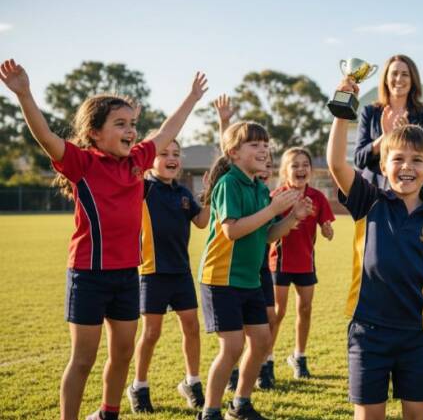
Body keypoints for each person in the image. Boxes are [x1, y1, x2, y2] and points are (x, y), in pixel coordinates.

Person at [0, 58, 207, 420]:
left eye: (133, 124)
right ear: (95, 133)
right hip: (88, 275)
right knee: (83, 359)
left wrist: (191, 98)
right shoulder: (82, 162)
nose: (131, 131)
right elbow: (47, 137)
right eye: (121, 124)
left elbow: (165, 130)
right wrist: (25, 95)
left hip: (128, 274)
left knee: (123, 352)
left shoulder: (137, 161)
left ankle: (107, 413)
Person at [328, 76, 423, 420]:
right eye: (398, 159)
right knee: (370, 415)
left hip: (415, 334)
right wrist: (343, 107)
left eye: (417, 161)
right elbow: (336, 163)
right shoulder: (369, 200)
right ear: (383, 167)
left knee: (419, 414)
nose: (406, 167)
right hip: (367, 331)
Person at [197, 120, 312, 420]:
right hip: (220, 279)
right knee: (233, 347)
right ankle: (210, 411)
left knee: (261, 341)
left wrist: (291, 219)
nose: (263, 149)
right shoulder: (228, 184)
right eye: (255, 145)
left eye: (265, 144)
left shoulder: (260, 188)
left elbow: (267, 236)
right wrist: (273, 211)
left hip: (248, 280)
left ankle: (241, 404)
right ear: (234, 153)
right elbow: (231, 231)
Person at [127, 138, 211, 413]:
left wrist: (208, 194)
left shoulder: (183, 193)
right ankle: (139, 386)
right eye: (164, 153)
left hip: (181, 272)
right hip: (151, 272)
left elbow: (201, 222)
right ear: (151, 159)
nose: (171, 158)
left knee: (192, 327)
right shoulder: (142, 188)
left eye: (176, 153)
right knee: (151, 332)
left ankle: (192, 382)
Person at [268, 147, 335, 380]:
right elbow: (269, 233)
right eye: (294, 165)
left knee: (305, 310)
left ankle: (299, 357)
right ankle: (266, 360)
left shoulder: (317, 197)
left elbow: (327, 230)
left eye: (305, 164)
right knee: (277, 312)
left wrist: (327, 230)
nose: (300, 169)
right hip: (280, 263)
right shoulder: (277, 196)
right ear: (285, 171)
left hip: (306, 263)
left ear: (311, 170)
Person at [353, 55, 423, 190]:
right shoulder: (369, 112)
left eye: (405, 74)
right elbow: (358, 161)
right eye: (394, 74)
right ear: (386, 79)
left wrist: (407, 137)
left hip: (413, 190)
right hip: (375, 191)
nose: (399, 79)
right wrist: (385, 137)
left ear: (412, 79)